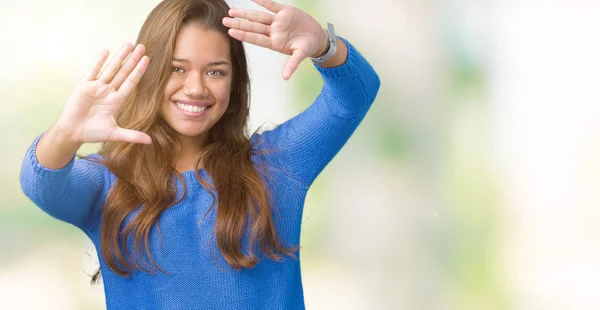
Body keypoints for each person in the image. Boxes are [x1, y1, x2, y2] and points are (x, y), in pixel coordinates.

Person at [20, 0, 380, 308]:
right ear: (148, 73)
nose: (195, 88)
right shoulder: (109, 183)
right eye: (177, 68)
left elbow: (351, 98)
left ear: (235, 81)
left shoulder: (274, 165)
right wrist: (66, 133)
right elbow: (42, 184)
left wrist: (324, 46)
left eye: (215, 71)